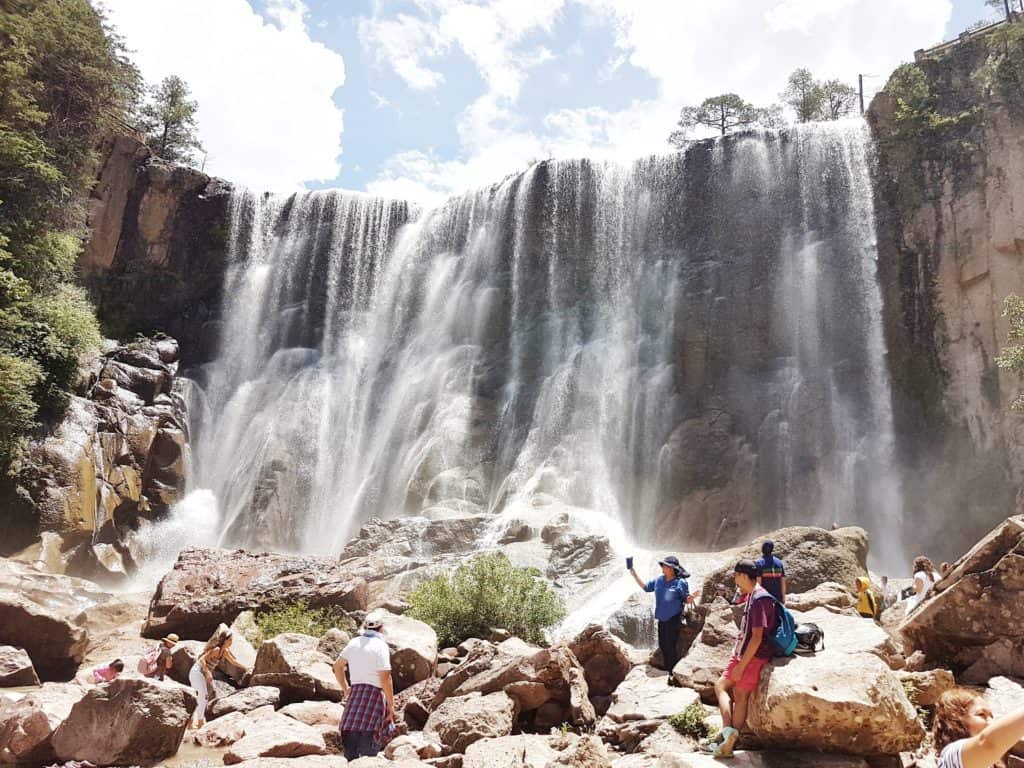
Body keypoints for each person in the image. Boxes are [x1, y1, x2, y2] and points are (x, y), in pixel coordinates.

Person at [702, 559, 778, 758]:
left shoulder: (760, 599)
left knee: (740, 694)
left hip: (753, 656)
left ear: (744, 575)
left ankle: (729, 740)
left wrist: (742, 665)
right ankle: (727, 734)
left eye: (736, 575)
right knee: (721, 686)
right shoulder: (751, 596)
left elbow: (757, 637)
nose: (735, 580)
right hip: (741, 653)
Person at [334, 612, 396, 760]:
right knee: (369, 751)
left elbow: (337, 666)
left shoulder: (354, 642)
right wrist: (391, 705)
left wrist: (345, 688)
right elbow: (385, 678)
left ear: (364, 626)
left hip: (355, 695)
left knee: (351, 753)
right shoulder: (381, 646)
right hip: (373, 696)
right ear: (381, 628)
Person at [629, 555, 698, 684]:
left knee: (671, 646)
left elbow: (686, 599)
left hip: (674, 618)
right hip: (661, 618)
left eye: (665, 565)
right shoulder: (659, 580)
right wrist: (634, 574)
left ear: (672, 568)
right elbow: (645, 587)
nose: (662, 567)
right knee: (663, 645)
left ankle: (672, 673)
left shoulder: (680, 582)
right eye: (662, 565)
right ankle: (668, 671)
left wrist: (692, 597)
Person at [933, 687, 1024, 768]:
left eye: (991, 717)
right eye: (981, 715)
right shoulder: (950, 757)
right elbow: (987, 743)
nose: (991, 722)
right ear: (955, 720)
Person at [189, 626, 244, 729]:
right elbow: (201, 660)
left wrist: (246, 667)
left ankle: (192, 722)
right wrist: (208, 673)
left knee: (202, 697)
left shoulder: (225, 651)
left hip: (203, 674)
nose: (232, 641)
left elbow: (233, 662)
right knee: (202, 696)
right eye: (230, 639)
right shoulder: (216, 649)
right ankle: (199, 722)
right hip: (196, 672)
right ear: (226, 640)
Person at [754, 540, 786, 604]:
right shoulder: (779, 563)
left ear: (762, 549)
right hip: (778, 599)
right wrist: (783, 598)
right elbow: (783, 582)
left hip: (765, 599)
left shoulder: (758, 563)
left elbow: (758, 583)